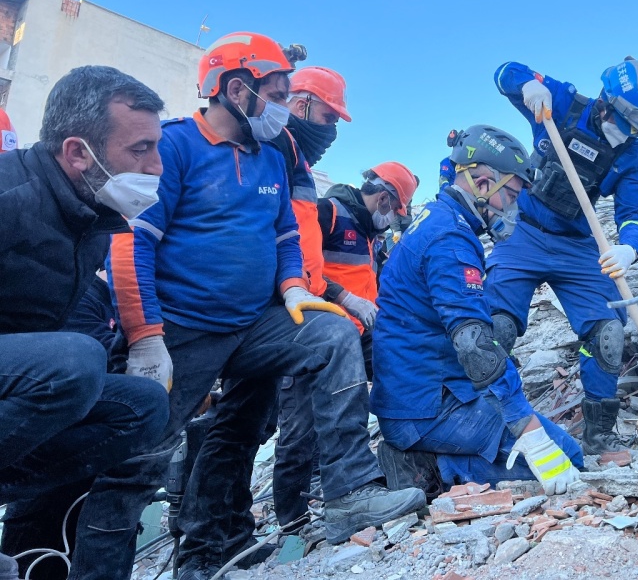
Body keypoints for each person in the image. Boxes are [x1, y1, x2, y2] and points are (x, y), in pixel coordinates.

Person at [66, 33, 424, 580]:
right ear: (237, 89)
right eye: (277, 93)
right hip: (183, 331)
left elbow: (284, 234)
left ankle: (347, 493)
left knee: (331, 340)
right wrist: (145, 337)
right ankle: (111, 569)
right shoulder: (177, 147)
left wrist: (294, 288)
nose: (283, 106)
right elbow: (128, 240)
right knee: (139, 461)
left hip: (255, 323)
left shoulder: (268, 160)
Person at [174, 61, 356, 576]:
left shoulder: (282, 154)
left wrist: (302, 287)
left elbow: (288, 235)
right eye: (328, 114)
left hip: (275, 305)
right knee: (200, 433)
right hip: (211, 317)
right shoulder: (244, 147)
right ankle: (201, 543)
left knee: (244, 423)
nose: (332, 128)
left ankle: (224, 539)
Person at [0, 67, 170, 575]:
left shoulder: (90, 216)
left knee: (141, 407)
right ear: (78, 152)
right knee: (73, 362)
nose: (157, 165)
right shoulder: (11, 195)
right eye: (140, 150)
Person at [372, 125, 583, 496]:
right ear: (484, 183)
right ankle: (432, 466)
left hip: (419, 396)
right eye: (512, 195)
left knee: (543, 442)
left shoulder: (438, 220)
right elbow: (473, 344)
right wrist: (527, 428)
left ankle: (433, 456)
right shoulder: (450, 238)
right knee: (568, 458)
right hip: (426, 410)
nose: (514, 208)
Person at [486, 60, 638, 455]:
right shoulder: (564, 104)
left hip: (578, 245)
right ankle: (491, 418)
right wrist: (528, 84)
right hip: (523, 232)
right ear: (606, 103)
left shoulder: (633, 153)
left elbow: (636, 213)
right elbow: (505, 73)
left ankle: (599, 434)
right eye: (629, 118)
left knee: (609, 335)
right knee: (495, 328)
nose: (633, 130)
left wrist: (630, 247)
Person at [271, 162, 418, 529]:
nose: (393, 218)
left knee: (400, 383)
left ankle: (386, 475)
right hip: (313, 335)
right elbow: (300, 265)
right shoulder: (328, 214)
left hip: (359, 337)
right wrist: (344, 298)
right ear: (384, 197)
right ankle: (294, 525)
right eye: (394, 210)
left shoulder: (371, 235)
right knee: (299, 432)